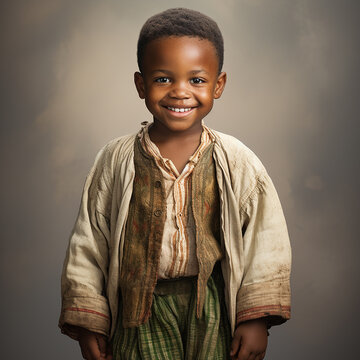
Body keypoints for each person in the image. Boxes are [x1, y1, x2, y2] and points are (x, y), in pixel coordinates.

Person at [58, 7, 291, 360]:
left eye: (196, 80)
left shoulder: (237, 160)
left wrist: (256, 319)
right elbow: (89, 241)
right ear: (141, 84)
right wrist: (91, 320)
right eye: (163, 79)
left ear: (218, 85)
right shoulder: (115, 160)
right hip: (139, 311)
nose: (180, 92)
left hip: (212, 309)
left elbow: (266, 239)